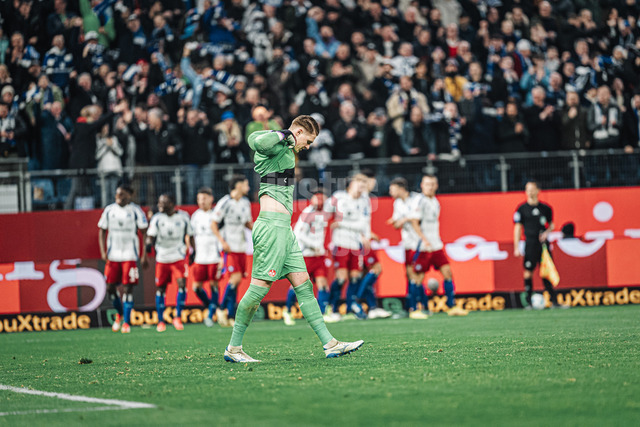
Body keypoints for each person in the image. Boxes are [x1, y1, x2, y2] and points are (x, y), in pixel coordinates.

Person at [224, 115, 363, 363]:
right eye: (307, 141)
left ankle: (330, 344)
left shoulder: (284, 150)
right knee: (258, 289)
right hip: (271, 227)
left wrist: (288, 139)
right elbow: (255, 141)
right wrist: (286, 134)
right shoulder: (278, 144)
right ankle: (234, 349)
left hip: (284, 230)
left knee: (304, 285)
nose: (307, 147)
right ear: (298, 132)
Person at [414, 175, 468, 316]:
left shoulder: (435, 202)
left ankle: (451, 306)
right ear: (422, 185)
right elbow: (414, 222)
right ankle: (421, 308)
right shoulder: (420, 201)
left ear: (436, 186)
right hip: (424, 246)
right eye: (427, 184)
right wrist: (423, 239)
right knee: (419, 277)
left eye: (432, 184)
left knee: (447, 272)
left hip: (436, 245)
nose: (430, 187)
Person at [97, 184, 148, 334]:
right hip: (113, 255)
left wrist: (144, 254)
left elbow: (144, 232)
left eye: (122, 194)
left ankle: (126, 322)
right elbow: (102, 230)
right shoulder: (109, 210)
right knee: (110, 288)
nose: (118, 197)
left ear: (129, 196)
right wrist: (103, 251)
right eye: (117, 194)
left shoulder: (136, 211)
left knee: (128, 288)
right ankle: (120, 314)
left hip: (129, 255)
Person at [513, 180, 568, 309]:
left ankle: (554, 301)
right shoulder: (522, 209)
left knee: (546, 271)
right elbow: (517, 228)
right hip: (530, 244)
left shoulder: (546, 208)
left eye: (532, 189)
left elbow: (552, 225)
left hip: (543, 245)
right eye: (527, 189)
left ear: (538, 191)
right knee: (528, 272)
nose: (529, 192)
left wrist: (546, 232)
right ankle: (529, 302)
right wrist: (516, 247)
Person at [324, 174, 371, 321]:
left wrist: (342, 223)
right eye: (358, 183)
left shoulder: (365, 201)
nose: (361, 186)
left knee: (355, 277)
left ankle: (350, 308)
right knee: (341, 278)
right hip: (341, 243)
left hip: (355, 244)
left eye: (363, 184)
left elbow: (363, 224)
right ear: (350, 185)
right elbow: (325, 211)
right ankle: (331, 308)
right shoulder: (339, 197)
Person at [146, 194, 195, 332]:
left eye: (163, 202)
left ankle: (178, 317)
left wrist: (194, 251)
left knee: (182, 285)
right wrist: (148, 244)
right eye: (159, 202)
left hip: (178, 256)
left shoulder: (183, 217)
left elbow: (190, 235)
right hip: (162, 257)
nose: (159, 205)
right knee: (161, 288)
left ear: (172, 203)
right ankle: (161, 321)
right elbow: (150, 235)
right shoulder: (157, 218)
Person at [285, 188, 331, 326]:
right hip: (306, 255)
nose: (321, 201)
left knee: (323, 283)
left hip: (318, 256)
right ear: (312, 199)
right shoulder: (307, 213)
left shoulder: (324, 213)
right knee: (298, 285)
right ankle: (288, 311)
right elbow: (298, 234)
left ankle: (323, 313)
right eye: (318, 197)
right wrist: (313, 245)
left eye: (323, 198)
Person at [211, 174, 253, 327]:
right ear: (238, 185)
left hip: (241, 246)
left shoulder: (245, 203)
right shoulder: (225, 202)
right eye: (246, 184)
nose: (248, 187)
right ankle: (221, 309)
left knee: (237, 282)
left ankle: (230, 315)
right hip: (229, 247)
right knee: (234, 279)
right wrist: (222, 242)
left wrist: (258, 230)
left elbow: (247, 223)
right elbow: (213, 224)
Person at [388, 177, 428, 319]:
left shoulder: (418, 199)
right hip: (407, 243)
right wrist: (400, 221)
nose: (390, 192)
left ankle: (414, 308)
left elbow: (419, 218)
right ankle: (422, 306)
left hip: (420, 242)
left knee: (416, 275)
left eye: (392, 189)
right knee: (410, 274)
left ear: (401, 188)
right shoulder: (397, 203)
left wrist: (404, 219)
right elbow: (396, 224)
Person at [357, 170, 391, 319]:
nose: (373, 183)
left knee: (366, 273)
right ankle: (357, 300)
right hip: (359, 241)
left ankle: (372, 307)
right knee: (376, 269)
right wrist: (362, 235)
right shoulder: (359, 198)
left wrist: (369, 233)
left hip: (364, 238)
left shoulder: (366, 198)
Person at [190, 187, 222, 328]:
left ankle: (210, 315)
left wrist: (221, 255)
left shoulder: (216, 215)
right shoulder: (195, 216)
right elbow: (190, 235)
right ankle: (213, 308)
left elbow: (222, 235)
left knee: (214, 285)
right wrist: (191, 251)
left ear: (211, 199)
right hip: (200, 257)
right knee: (196, 287)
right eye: (199, 199)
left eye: (204, 198)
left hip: (214, 256)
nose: (201, 201)